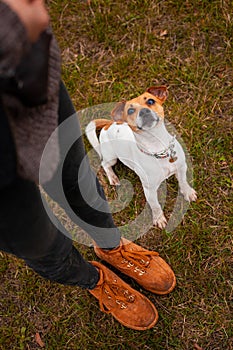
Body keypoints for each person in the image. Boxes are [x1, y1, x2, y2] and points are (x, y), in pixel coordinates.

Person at [0, 0, 176, 330]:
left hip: (18, 75)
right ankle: (95, 280)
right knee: (36, 241)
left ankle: (111, 247)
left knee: (78, 181)